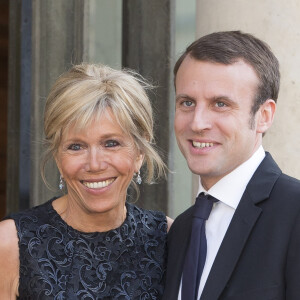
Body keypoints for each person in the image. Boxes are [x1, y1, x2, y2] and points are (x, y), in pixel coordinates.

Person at [0, 63, 172, 299]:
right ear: (58, 158)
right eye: (76, 147)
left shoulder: (169, 239)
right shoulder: (10, 244)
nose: (94, 164)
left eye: (111, 143)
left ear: (139, 153)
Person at [163, 31, 300, 300]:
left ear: (264, 116)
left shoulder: (295, 213)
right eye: (187, 103)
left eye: (220, 104)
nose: (197, 122)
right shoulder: (181, 229)